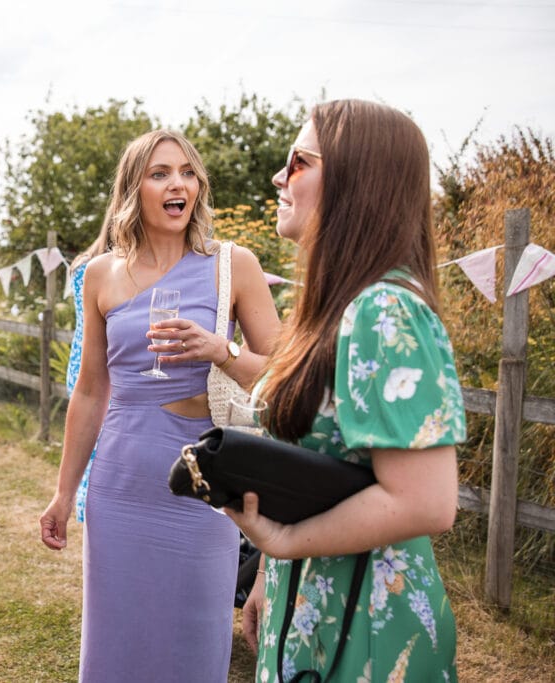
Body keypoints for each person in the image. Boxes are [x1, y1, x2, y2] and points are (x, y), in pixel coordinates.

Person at [228, 99, 466, 681]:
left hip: (366, 627)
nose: (279, 177)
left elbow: (426, 501)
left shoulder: (384, 310)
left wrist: (284, 541)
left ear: (358, 180)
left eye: (299, 161)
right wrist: (268, 575)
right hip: (314, 608)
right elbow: (314, 465)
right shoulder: (332, 308)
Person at [39, 129, 281, 682]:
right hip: (120, 480)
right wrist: (63, 492)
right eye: (161, 173)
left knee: (193, 645)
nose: (179, 184)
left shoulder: (233, 265)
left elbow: (283, 375)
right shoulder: (100, 274)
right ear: (134, 190)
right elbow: (92, 390)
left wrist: (222, 350)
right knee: (117, 645)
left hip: (203, 482)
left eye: (188, 172)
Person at [65, 226, 111, 523]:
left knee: (94, 443)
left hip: (79, 356)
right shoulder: (103, 269)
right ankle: (91, 505)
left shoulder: (82, 263)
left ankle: (86, 504)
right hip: (101, 360)